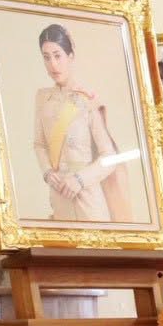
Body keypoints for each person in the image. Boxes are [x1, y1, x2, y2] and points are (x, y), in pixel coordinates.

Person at [31, 23, 130, 222]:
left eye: (57, 55)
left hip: (88, 198)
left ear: (70, 56)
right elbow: (40, 144)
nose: (53, 64)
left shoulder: (87, 99)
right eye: (46, 57)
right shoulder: (42, 98)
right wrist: (48, 173)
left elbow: (109, 156)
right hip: (58, 195)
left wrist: (79, 180)